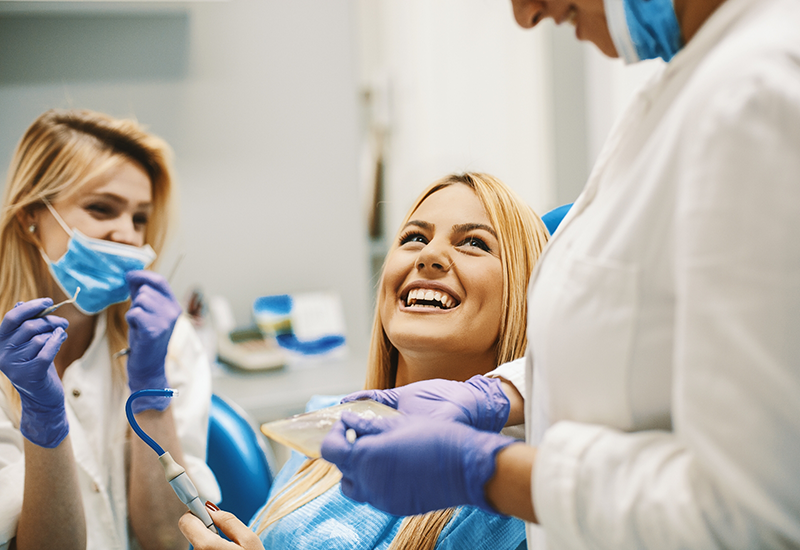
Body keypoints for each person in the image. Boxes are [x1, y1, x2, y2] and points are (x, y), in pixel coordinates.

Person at [316, 0, 800, 548]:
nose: (525, 15)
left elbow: (758, 515)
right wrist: (500, 394)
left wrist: (485, 471)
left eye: (474, 242)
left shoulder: (761, 94)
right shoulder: (686, 85)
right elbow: (629, 352)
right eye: (414, 236)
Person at [178, 172, 550, 550]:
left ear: (523, 292)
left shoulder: (516, 495)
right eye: (414, 238)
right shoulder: (324, 423)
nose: (429, 255)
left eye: (474, 243)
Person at [0, 109, 220, 550]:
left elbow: (167, 540)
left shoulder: (167, 341)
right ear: (29, 216)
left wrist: (150, 387)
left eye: (139, 218)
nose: (127, 235)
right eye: (101, 208)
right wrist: (42, 417)